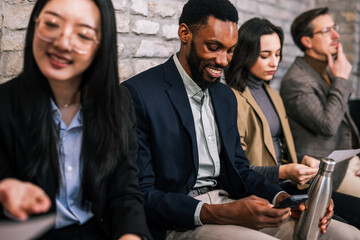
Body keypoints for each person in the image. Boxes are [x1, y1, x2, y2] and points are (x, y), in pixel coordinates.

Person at [123, 0, 358, 239]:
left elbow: (241, 171)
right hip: (180, 219)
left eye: (230, 50)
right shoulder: (138, 94)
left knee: (346, 234)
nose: (224, 61)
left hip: (229, 202)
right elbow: (140, 194)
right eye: (213, 47)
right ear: (185, 34)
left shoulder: (224, 96)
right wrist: (220, 213)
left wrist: (284, 199)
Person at [0, 0, 150, 239]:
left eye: (82, 34)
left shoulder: (118, 102)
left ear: (100, 45)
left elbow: (124, 190)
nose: (62, 43)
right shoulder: (5, 104)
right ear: (35, 23)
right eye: (51, 24)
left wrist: (131, 234)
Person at [225, 17, 360, 229]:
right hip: (265, 190)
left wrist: (302, 159)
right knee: (343, 225)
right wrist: (286, 171)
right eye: (265, 55)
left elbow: (275, 150)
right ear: (245, 54)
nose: (274, 63)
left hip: (289, 184)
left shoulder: (271, 94)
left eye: (277, 54)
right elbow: (238, 169)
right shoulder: (231, 98)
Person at [280, 8, 360, 199]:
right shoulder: (295, 80)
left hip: (348, 161)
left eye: (334, 28)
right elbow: (327, 125)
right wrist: (341, 79)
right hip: (326, 171)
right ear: (307, 41)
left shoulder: (328, 69)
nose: (336, 35)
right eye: (326, 31)